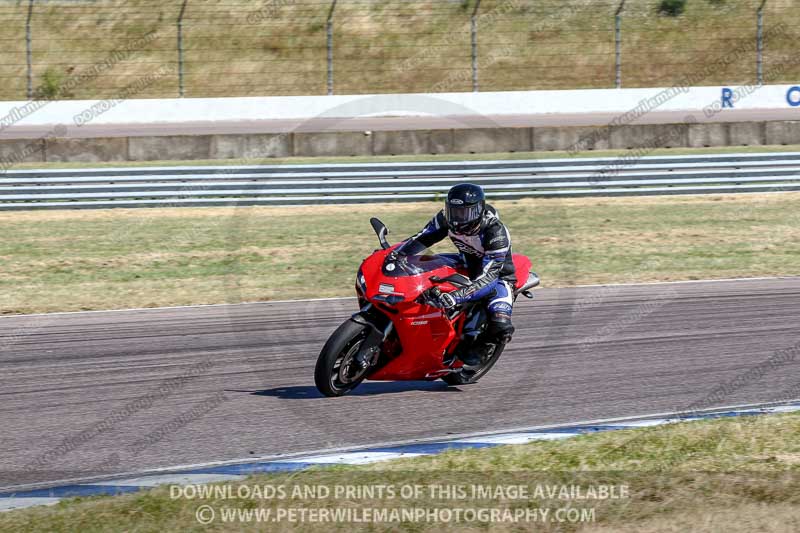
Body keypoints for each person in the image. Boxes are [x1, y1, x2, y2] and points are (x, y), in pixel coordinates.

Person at [392, 183, 516, 366]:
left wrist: (456, 296)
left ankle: (482, 348)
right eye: (454, 211)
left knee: (501, 325)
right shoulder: (445, 219)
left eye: (464, 213)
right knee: (421, 269)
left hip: (497, 277)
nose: (458, 219)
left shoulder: (495, 232)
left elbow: (489, 277)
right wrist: (395, 255)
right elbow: (421, 238)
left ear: (478, 211)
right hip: (465, 263)